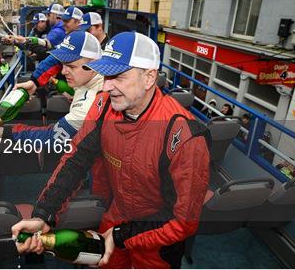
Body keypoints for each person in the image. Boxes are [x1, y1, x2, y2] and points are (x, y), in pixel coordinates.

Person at [12, 32, 210, 268]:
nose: (107, 86)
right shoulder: (103, 106)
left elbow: (182, 221)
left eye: (118, 76)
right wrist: (43, 214)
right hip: (115, 219)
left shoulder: (185, 136)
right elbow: (76, 161)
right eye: (105, 74)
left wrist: (121, 235)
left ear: (149, 78)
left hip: (158, 238)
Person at [0, 31, 103, 156]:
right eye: (63, 64)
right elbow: (56, 60)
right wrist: (34, 82)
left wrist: (2, 132)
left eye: (71, 66)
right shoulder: (99, 64)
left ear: (92, 63)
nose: (63, 71)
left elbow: (51, 138)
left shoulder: (90, 105)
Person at [16, 11, 108, 99]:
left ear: (99, 26)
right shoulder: (81, 42)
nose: (85, 33)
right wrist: (34, 81)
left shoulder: (109, 52)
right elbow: (54, 58)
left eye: (87, 29)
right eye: (82, 29)